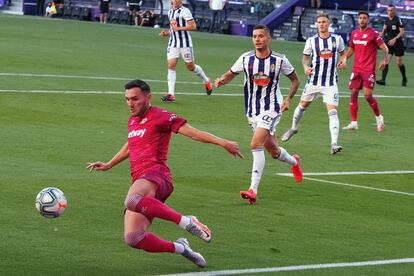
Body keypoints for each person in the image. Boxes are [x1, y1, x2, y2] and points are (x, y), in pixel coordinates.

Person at [87, 79, 243, 267]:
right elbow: (131, 145)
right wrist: (109, 164)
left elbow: (192, 132)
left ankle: (187, 221)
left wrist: (224, 143)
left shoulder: (162, 116)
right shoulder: (132, 121)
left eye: (134, 99)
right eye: (127, 99)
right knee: (134, 238)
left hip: (157, 175)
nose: (130, 103)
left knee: (131, 199)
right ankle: (181, 248)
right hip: (142, 184)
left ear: (148, 97)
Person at [214, 24, 303, 204]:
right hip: (252, 110)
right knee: (273, 151)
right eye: (254, 36)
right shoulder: (246, 59)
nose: (257, 39)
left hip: (272, 107)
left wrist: (288, 99)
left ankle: (252, 190)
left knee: (255, 144)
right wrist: (222, 80)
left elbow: (295, 80)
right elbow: (231, 73)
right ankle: (294, 162)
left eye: (261, 36)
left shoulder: (279, 60)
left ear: (268, 38)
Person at [281, 14, 347, 155]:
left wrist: (344, 60)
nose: (321, 24)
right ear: (316, 24)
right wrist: (305, 67)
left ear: (329, 23)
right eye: (319, 22)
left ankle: (334, 143)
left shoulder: (337, 39)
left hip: (330, 83)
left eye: (324, 22)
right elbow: (305, 59)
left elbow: (343, 53)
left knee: (333, 111)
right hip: (314, 81)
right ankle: (294, 128)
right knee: (302, 106)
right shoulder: (312, 41)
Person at [342, 11, 389, 132]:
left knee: (368, 95)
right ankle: (353, 123)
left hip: (368, 70)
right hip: (356, 69)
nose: (362, 20)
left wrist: (384, 60)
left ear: (368, 20)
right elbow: (351, 49)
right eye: (360, 18)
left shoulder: (373, 34)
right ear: (358, 20)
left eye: (364, 18)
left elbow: (385, 48)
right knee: (353, 94)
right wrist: (344, 59)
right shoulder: (354, 34)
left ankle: (379, 118)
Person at [159, 0, 213, 102]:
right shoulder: (170, 12)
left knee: (191, 67)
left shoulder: (185, 11)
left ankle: (206, 80)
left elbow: (193, 26)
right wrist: (167, 33)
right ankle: (171, 94)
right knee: (171, 65)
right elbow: (173, 28)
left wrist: (178, 28)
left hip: (185, 44)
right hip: (173, 43)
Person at [376, 4, 407, 87]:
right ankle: (383, 80)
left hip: (398, 44)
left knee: (399, 63)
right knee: (386, 62)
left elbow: (402, 32)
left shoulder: (398, 20)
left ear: (395, 11)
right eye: (388, 10)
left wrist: (395, 39)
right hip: (389, 44)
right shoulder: (386, 21)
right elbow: (383, 31)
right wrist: (380, 34)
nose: (390, 12)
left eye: (391, 10)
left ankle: (404, 78)